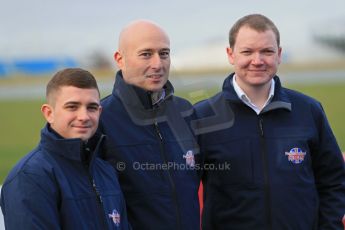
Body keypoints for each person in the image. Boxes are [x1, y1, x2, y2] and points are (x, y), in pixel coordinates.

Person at [193, 14, 345, 229]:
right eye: (247, 51)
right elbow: (184, 192)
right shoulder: (202, 117)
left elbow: (333, 182)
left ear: (279, 54)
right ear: (231, 54)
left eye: (267, 51)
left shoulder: (309, 110)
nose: (257, 60)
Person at [100, 20, 200, 230]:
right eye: (146, 54)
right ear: (120, 59)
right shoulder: (101, 119)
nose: (158, 64)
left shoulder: (186, 112)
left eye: (164, 54)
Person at [0, 68, 131, 229]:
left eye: (91, 107)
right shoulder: (30, 177)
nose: (83, 116)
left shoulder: (106, 172)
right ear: (49, 113)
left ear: (99, 111)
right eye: (72, 107)